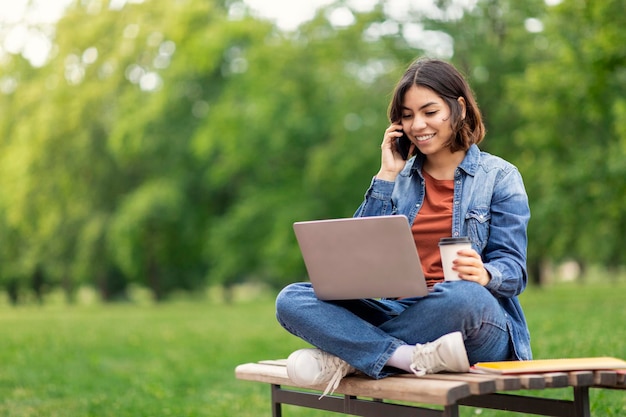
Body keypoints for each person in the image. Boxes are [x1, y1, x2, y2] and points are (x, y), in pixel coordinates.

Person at [275, 57, 532, 397]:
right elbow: (352, 264)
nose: (418, 125)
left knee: (466, 296)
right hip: (402, 309)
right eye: (407, 116)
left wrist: (485, 275)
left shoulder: (499, 177)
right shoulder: (398, 182)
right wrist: (386, 176)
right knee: (291, 298)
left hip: (473, 322)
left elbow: (514, 271)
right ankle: (405, 356)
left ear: (459, 109)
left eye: (429, 112)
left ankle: (352, 355)